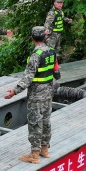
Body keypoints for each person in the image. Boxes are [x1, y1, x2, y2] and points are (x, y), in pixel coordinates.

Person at [5, 27, 56, 162]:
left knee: (35, 121)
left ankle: (34, 154)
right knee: (46, 120)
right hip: (48, 90)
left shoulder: (36, 55)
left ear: (32, 38)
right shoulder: (51, 50)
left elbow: (28, 77)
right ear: (44, 38)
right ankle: (44, 149)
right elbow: (56, 70)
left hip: (37, 93)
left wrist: (15, 91)